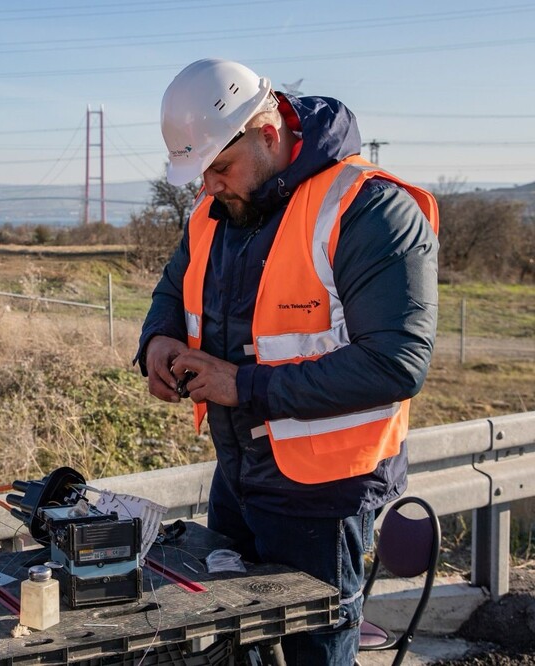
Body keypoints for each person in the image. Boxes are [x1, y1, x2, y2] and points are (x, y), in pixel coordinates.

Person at [137, 58, 439, 665]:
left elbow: (396, 364)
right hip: (238, 475)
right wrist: (158, 342)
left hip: (325, 499)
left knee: (316, 654)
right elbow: (173, 289)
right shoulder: (215, 211)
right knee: (225, 647)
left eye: (220, 168)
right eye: (201, 175)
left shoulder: (369, 209)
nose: (209, 187)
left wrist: (240, 384)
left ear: (268, 134)